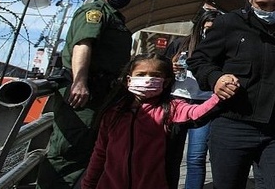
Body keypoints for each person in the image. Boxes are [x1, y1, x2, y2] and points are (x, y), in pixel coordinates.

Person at [187, 0, 275, 189]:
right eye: (262, 4)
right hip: (232, 126)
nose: (270, 11)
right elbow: (199, 59)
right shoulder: (229, 23)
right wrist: (215, 78)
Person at [37, 0, 138, 189]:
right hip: (86, 90)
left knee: (89, 147)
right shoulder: (95, 12)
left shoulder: (116, 18)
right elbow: (83, 44)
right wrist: (80, 81)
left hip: (103, 91)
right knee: (69, 149)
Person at [80, 53, 225, 189]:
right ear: (128, 80)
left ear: (166, 81)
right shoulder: (113, 113)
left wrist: (220, 94)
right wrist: (88, 184)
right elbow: (100, 153)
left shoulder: (171, 108)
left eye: (155, 75)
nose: (148, 79)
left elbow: (195, 113)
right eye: (141, 75)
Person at [164, 9, 219, 189]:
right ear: (199, 27)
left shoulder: (222, 48)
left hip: (204, 104)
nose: (210, 32)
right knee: (171, 154)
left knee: (196, 157)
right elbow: (159, 68)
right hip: (177, 102)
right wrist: (168, 69)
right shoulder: (180, 45)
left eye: (215, 29)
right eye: (207, 28)